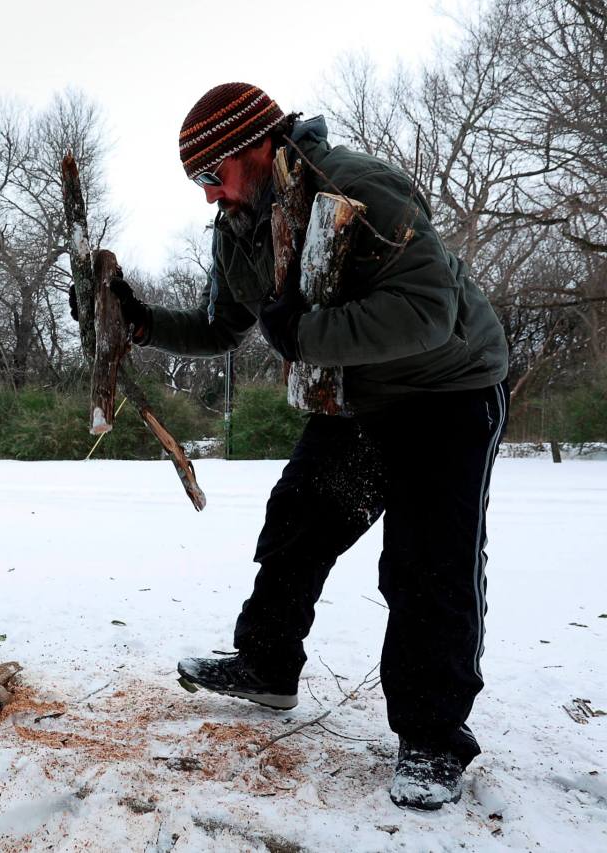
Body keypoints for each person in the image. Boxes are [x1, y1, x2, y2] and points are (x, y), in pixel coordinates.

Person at [92, 83, 509, 809]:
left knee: (427, 562)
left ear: (256, 146)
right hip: (356, 399)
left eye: (211, 175)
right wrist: (141, 323)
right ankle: (268, 664)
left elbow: (428, 312)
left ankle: (433, 739)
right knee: (297, 518)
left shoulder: (356, 186)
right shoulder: (240, 224)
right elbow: (225, 325)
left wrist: (304, 333)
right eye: (198, 181)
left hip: (448, 390)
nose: (208, 196)